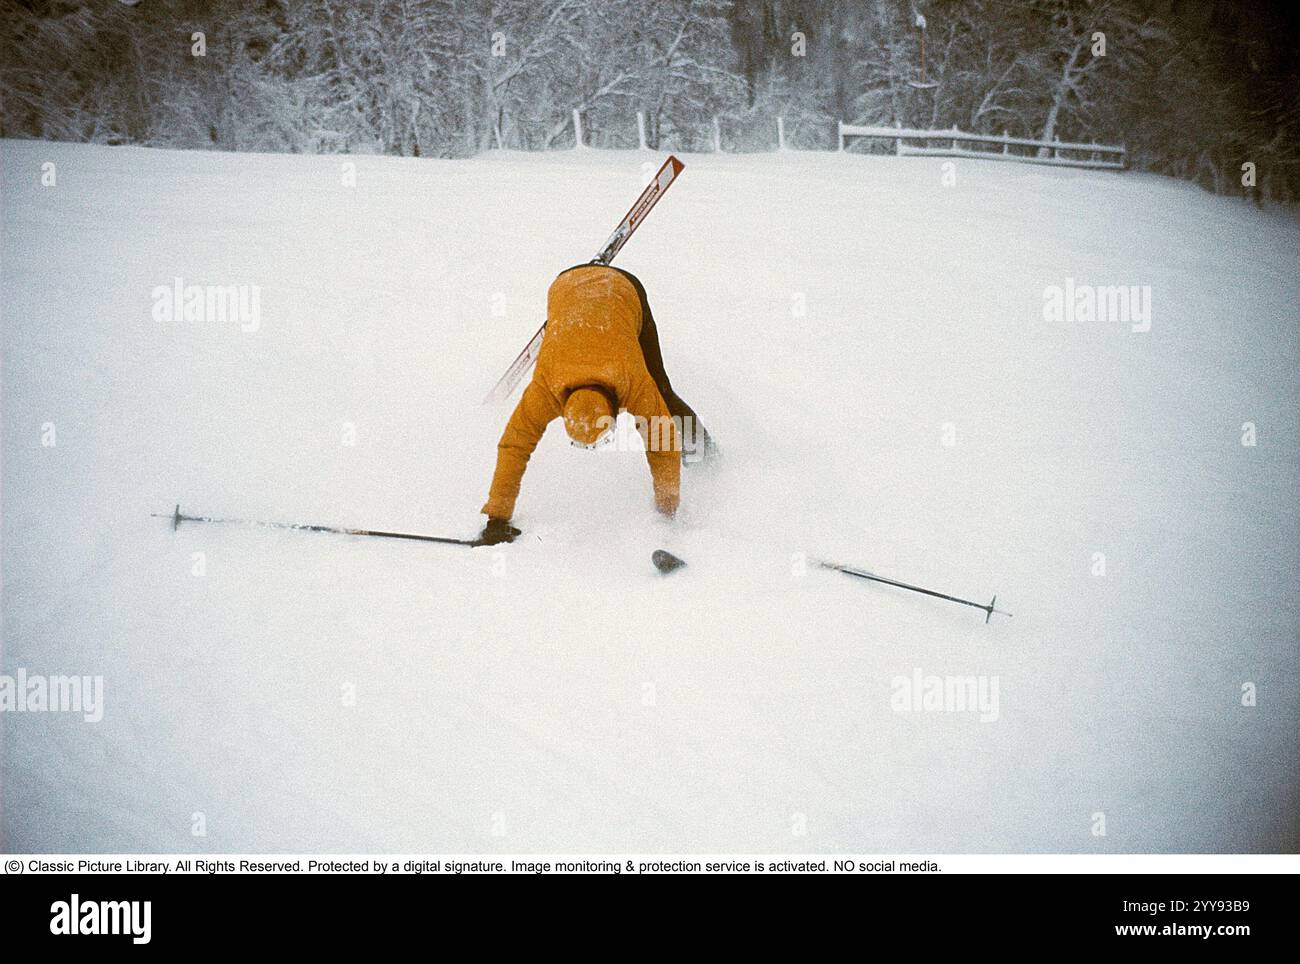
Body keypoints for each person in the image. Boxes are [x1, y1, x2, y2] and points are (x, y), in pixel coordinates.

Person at [479, 263, 712, 546]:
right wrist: (497, 517)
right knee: (659, 403)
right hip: (566, 285)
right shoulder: (545, 388)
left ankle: (706, 457)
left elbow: (662, 443)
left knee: (663, 393)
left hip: (623, 289)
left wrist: (667, 509)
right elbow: (515, 446)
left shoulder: (632, 379)